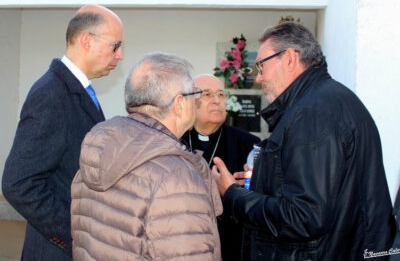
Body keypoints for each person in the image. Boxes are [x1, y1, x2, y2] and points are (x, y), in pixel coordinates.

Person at [212, 22, 395, 260]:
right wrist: (263, 179)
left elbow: (304, 216)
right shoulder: (323, 101)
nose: (258, 78)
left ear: (289, 58)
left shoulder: (313, 113)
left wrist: (233, 195)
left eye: (261, 66)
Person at [71, 52, 223, 261]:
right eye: (195, 95)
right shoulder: (177, 177)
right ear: (179, 104)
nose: (196, 102)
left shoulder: (101, 147)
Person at [2, 4, 123, 260]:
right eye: (115, 45)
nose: (120, 55)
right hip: (56, 250)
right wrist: (74, 231)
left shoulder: (75, 88)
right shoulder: (52, 93)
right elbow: (18, 183)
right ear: (87, 41)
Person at [181, 74, 260, 261]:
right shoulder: (175, 139)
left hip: (231, 243)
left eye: (221, 95)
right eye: (207, 94)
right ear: (190, 101)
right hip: (184, 239)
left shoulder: (248, 144)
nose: (217, 100)